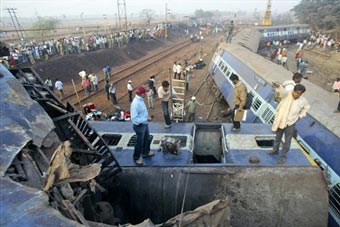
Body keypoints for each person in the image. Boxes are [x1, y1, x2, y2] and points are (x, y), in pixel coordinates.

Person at [269, 84, 311, 164]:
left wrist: (300, 116)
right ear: (293, 91)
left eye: (300, 93)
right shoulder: (286, 94)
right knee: (278, 137)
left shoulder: (303, 100)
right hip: (281, 120)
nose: (297, 95)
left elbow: (307, 107)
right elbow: (281, 91)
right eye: (296, 92)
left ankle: (283, 156)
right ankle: (275, 150)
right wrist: (279, 86)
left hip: (291, 122)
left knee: (287, 140)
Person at [130, 86, 154, 165]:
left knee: (146, 138)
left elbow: (141, 113)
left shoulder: (140, 100)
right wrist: (146, 119)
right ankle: (136, 158)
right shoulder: (135, 103)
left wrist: (146, 118)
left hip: (144, 124)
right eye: (144, 93)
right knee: (139, 143)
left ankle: (145, 152)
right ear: (142, 94)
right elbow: (134, 119)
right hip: (139, 126)